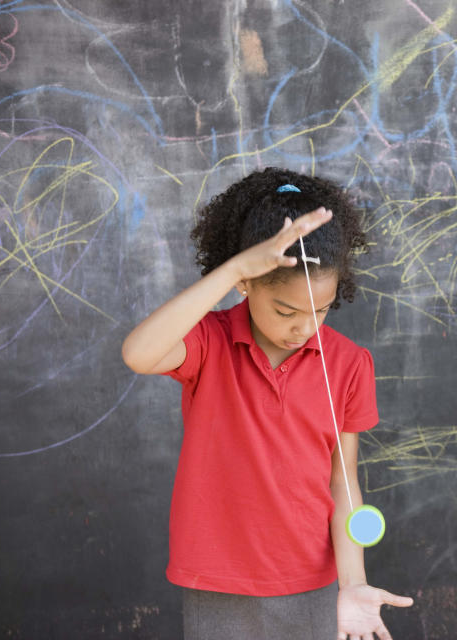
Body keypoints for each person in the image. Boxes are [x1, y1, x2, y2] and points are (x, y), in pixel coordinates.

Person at [122, 167, 412, 640]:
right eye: (286, 311)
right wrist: (234, 267)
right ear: (247, 286)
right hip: (219, 582)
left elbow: (344, 483)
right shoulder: (208, 343)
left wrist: (352, 582)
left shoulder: (349, 364)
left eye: (321, 310)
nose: (306, 327)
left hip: (313, 582)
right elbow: (138, 353)